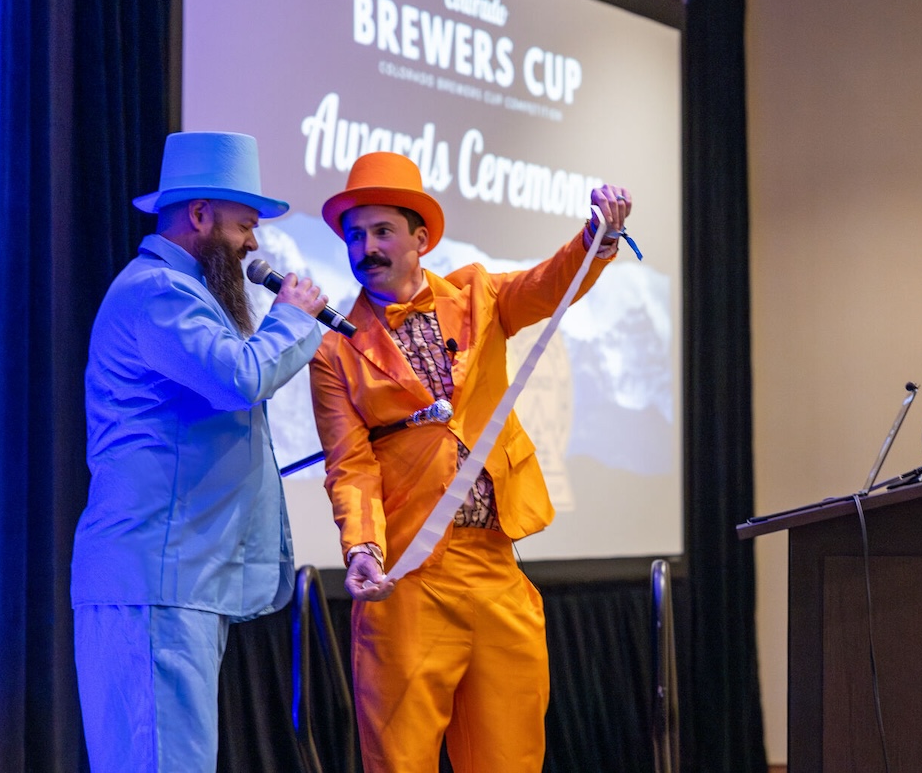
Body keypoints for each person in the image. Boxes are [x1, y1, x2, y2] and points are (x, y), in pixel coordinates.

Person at [308, 151, 631, 772]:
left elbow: (547, 284)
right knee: (400, 759)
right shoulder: (335, 351)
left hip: (494, 563)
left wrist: (599, 235)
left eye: (382, 232)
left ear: (421, 238)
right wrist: (362, 550)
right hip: (410, 577)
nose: (366, 248)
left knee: (510, 755)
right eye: (355, 235)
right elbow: (350, 466)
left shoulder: (477, 295)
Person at [71, 131, 328, 772]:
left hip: (176, 584)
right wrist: (294, 317)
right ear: (200, 215)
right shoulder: (155, 293)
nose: (253, 245)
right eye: (245, 226)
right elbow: (237, 375)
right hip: (153, 582)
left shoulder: (185, 297)